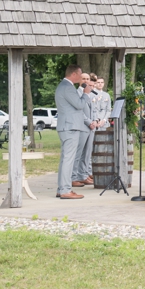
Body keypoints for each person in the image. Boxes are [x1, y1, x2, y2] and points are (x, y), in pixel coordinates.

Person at [54, 63, 91, 199]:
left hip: (66, 126)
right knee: (68, 159)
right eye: (80, 75)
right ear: (74, 74)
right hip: (70, 127)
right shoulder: (68, 88)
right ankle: (65, 190)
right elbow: (80, 105)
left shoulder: (63, 87)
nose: (82, 78)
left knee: (65, 159)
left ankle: (61, 188)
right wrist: (86, 94)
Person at [70, 71, 98, 187]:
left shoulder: (90, 94)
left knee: (87, 153)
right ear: (79, 81)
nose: (86, 81)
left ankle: (83, 175)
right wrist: (89, 122)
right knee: (78, 153)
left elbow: (94, 109)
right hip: (81, 126)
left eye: (87, 79)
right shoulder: (76, 93)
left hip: (91, 127)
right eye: (83, 79)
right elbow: (78, 111)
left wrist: (95, 121)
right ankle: (73, 177)